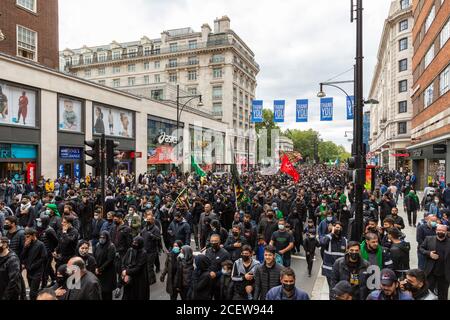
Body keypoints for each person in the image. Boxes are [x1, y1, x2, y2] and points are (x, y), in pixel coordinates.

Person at [419, 224, 450, 300]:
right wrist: (429, 253)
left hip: (444, 274)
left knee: (443, 295)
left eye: (443, 230)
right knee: (428, 294)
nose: (440, 232)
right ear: (436, 231)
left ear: (446, 232)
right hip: (430, 273)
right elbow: (421, 248)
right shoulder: (428, 239)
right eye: (439, 230)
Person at [320, 221, 347, 290]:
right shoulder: (328, 238)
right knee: (333, 290)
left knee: (340, 290)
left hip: (340, 271)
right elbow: (322, 243)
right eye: (336, 227)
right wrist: (332, 233)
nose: (338, 229)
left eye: (339, 228)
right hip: (329, 271)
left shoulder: (345, 241)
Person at [21, 228, 47, 300]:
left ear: (33, 235)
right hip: (29, 271)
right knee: (31, 289)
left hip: (37, 271)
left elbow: (44, 257)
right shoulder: (27, 244)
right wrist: (25, 247)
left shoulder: (40, 244)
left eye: (28, 236)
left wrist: (34, 265)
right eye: (25, 237)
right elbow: (22, 256)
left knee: (32, 293)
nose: (26, 238)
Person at [121, 236, 149, 300]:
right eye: (133, 242)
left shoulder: (143, 253)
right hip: (129, 279)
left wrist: (127, 272)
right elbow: (124, 262)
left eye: (136, 243)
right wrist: (124, 272)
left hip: (139, 280)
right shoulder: (130, 250)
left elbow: (138, 268)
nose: (134, 244)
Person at [204, 234, 230, 300]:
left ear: (219, 241)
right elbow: (205, 264)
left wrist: (216, 274)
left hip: (219, 282)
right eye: (212, 241)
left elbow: (227, 269)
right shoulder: (208, 251)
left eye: (215, 241)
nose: (213, 243)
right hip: (208, 280)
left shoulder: (225, 253)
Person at [93, 231, 116, 300]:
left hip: (108, 273)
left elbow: (109, 260)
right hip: (99, 272)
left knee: (107, 292)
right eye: (100, 237)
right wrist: (96, 267)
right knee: (100, 291)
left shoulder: (111, 246)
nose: (101, 239)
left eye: (103, 237)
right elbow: (94, 256)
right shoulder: (97, 245)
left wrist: (100, 269)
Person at [36, 215, 58, 288]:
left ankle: (43, 287)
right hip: (42, 252)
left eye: (40, 221)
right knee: (48, 267)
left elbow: (56, 241)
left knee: (45, 270)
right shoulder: (41, 229)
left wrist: (52, 250)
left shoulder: (49, 230)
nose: (38, 222)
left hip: (48, 253)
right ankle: (54, 279)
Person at [141, 210, 160, 285]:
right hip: (145, 250)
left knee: (150, 266)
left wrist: (152, 236)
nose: (148, 221)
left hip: (152, 251)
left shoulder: (155, 228)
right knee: (146, 266)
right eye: (147, 219)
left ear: (152, 220)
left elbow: (158, 238)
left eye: (149, 219)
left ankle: (152, 280)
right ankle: (149, 278)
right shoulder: (145, 228)